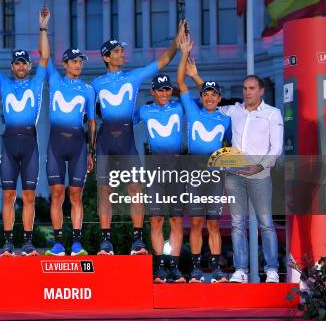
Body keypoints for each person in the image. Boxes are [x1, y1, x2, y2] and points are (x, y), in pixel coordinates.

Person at [91, 21, 186, 256]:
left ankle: (137, 241)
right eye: (117, 52)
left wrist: (177, 40)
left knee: (135, 189)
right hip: (104, 142)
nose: (123, 54)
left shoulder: (133, 77)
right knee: (105, 191)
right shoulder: (95, 84)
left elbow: (163, 61)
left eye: (122, 51)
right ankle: (106, 242)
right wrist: (89, 150)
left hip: (126, 141)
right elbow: (88, 118)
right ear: (106, 58)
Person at [191, 71, 283, 283]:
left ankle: (271, 270)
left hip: (259, 175)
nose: (247, 92)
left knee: (266, 223)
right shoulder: (233, 110)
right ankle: (240, 270)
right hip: (234, 176)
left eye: (251, 88)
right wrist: (196, 78)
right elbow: (210, 98)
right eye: (244, 88)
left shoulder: (272, 113)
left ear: (261, 91)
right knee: (237, 224)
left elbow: (276, 148)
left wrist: (259, 167)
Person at [0, 5, 50, 256]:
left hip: (30, 143)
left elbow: (46, 58)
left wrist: (43, 28)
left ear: (28, 66)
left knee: (28, 196)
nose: (20, 66)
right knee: (8, 195)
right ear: (12, 66)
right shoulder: (4, 83)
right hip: (9, 144)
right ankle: (8, 242)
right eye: (16, 63)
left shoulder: (37, 81)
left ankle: (27, 242)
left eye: (23, 63)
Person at [175, 37, 231, 283]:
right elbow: (179, 81)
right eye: (206, 94)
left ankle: (217, 269)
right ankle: (197, 269)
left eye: (213, 95)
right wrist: (184, 54)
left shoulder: (226, 119)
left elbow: (230, 145)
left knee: (214, 224)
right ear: (202, 96)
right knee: (196, 222)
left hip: (215, 175)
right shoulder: (193, 110)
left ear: (219, 99)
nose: (209, 98)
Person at [134, 72, 185, 283]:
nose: (164, 93)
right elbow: (120, 121)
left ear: (171, 91)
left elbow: (203, 102)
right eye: (160, 90)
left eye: (167, 89)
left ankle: (174, 267)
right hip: (154, 166)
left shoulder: (180, 107)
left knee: (176, 220)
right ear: (153, 91)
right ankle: (160, 268)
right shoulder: (144, 110)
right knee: (156, 219)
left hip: (176, 166)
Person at [44, 47, 96, 256]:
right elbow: (45, 55)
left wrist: (91, 151)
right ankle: (57, 243)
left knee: (76, 195)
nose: (78, 65)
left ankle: (76, 243)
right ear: (65, 64)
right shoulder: (55, 81)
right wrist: (43, 28)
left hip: (77, 147)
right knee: (57, 194)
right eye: (74, 61)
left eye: (80, 61)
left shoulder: (88, 90)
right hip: (56, 145)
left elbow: (92, 123)